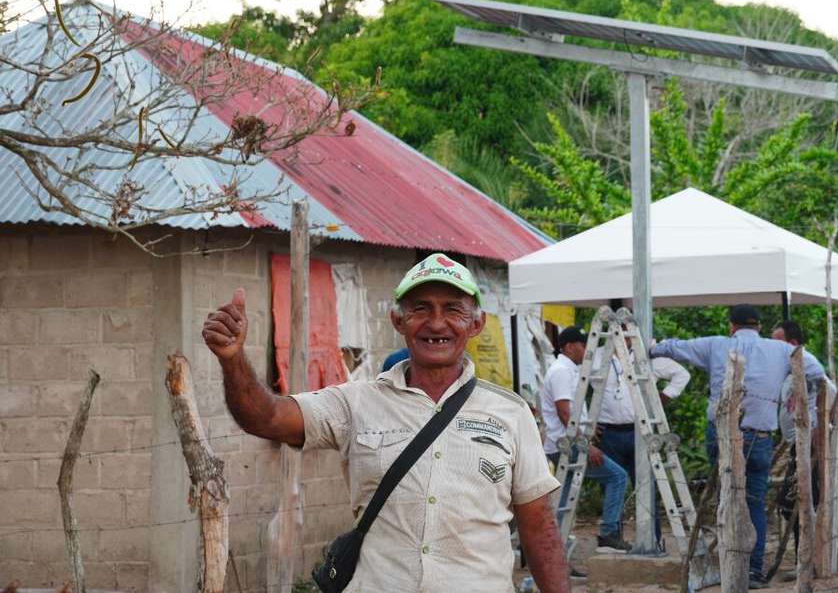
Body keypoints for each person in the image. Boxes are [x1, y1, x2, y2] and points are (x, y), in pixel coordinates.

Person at [202, 253, 569, 593]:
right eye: (420, 308)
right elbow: (266, 417)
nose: (436, 322)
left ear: (476, 324)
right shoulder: (355, 402)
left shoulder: (511, 412)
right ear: (398, 320)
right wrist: (233, 360)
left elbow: (539, 528)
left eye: (453, 309)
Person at [649, 304, 830, 589]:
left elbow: (672, 348)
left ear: (731, 326)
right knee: (754, 502)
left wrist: (649, 348)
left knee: (726, 498)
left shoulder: (715, 345)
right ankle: (754, 571)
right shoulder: (781, 350)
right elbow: (817, 371)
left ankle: (729, 565)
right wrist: (795, 388)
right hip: (760, 436)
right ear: (758, 326)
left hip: (722, 434)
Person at [541, 326, 631, 554]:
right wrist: (586, 445)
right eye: (583, 346)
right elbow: (564, 413)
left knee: (564, 502)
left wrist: (587, 428)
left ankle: (557, 554)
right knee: (618, 477)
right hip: (568, 445)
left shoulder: (568, 369)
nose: (586, 351)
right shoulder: (561, 370)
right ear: (570, 347)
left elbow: (571, 411)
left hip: (565, 442)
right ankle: (609, 533)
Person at [593, 346, 690, 548]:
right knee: (612, 488)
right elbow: (579, 385)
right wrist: (588, 421)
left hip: (640, 432)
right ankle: (614, 540)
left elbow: (681, 374)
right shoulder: (596, 355)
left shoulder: (644, 353)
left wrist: (659, 401)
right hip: (607, 432)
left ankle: (652, 541)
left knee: (646, 487)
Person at [771, 320, 836, 580]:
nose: (771, 345)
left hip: (810, 444)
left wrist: (823, 426)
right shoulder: (790, 368)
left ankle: (807, 561)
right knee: (797, 502)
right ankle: (805, 560)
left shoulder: (806, 362)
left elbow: (829, 391)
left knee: (795, 501)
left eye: (777, 340)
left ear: (792, 344)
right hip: (799, 443)